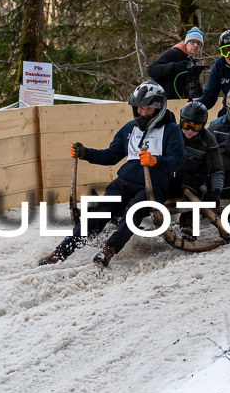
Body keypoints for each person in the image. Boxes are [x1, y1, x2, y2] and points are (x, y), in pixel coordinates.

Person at [37, 80, 184, 268]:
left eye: (148, 109)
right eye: (140, 108)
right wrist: (86, 153)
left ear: (159, 108)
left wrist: (156, 161)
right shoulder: (129, 129)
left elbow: (178, 161)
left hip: (153, 186)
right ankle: (61, 252)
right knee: (99, 214)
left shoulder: (171, 130)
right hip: (125, 181)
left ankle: (109, 249)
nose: (143, 113)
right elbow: (111, 155)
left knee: (134, 211)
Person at [168, 101, 224, 239]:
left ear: (203, 126)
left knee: (190, 181)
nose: (189, 131)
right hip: (174, 177)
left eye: (195, 127)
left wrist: (216, 192)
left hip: (196, 181)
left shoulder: (208, 141)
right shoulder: (171, 134)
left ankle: (188, 226)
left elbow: (217, 170)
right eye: (186, 125)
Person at [147, 26, 205, 100]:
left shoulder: (193, 63)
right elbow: (151, 70)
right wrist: (175, 66)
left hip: (179, 102)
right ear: (186, 43)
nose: (196, 45)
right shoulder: (173, 53)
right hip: (161, 100)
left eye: (199, 43)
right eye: (192, 42)